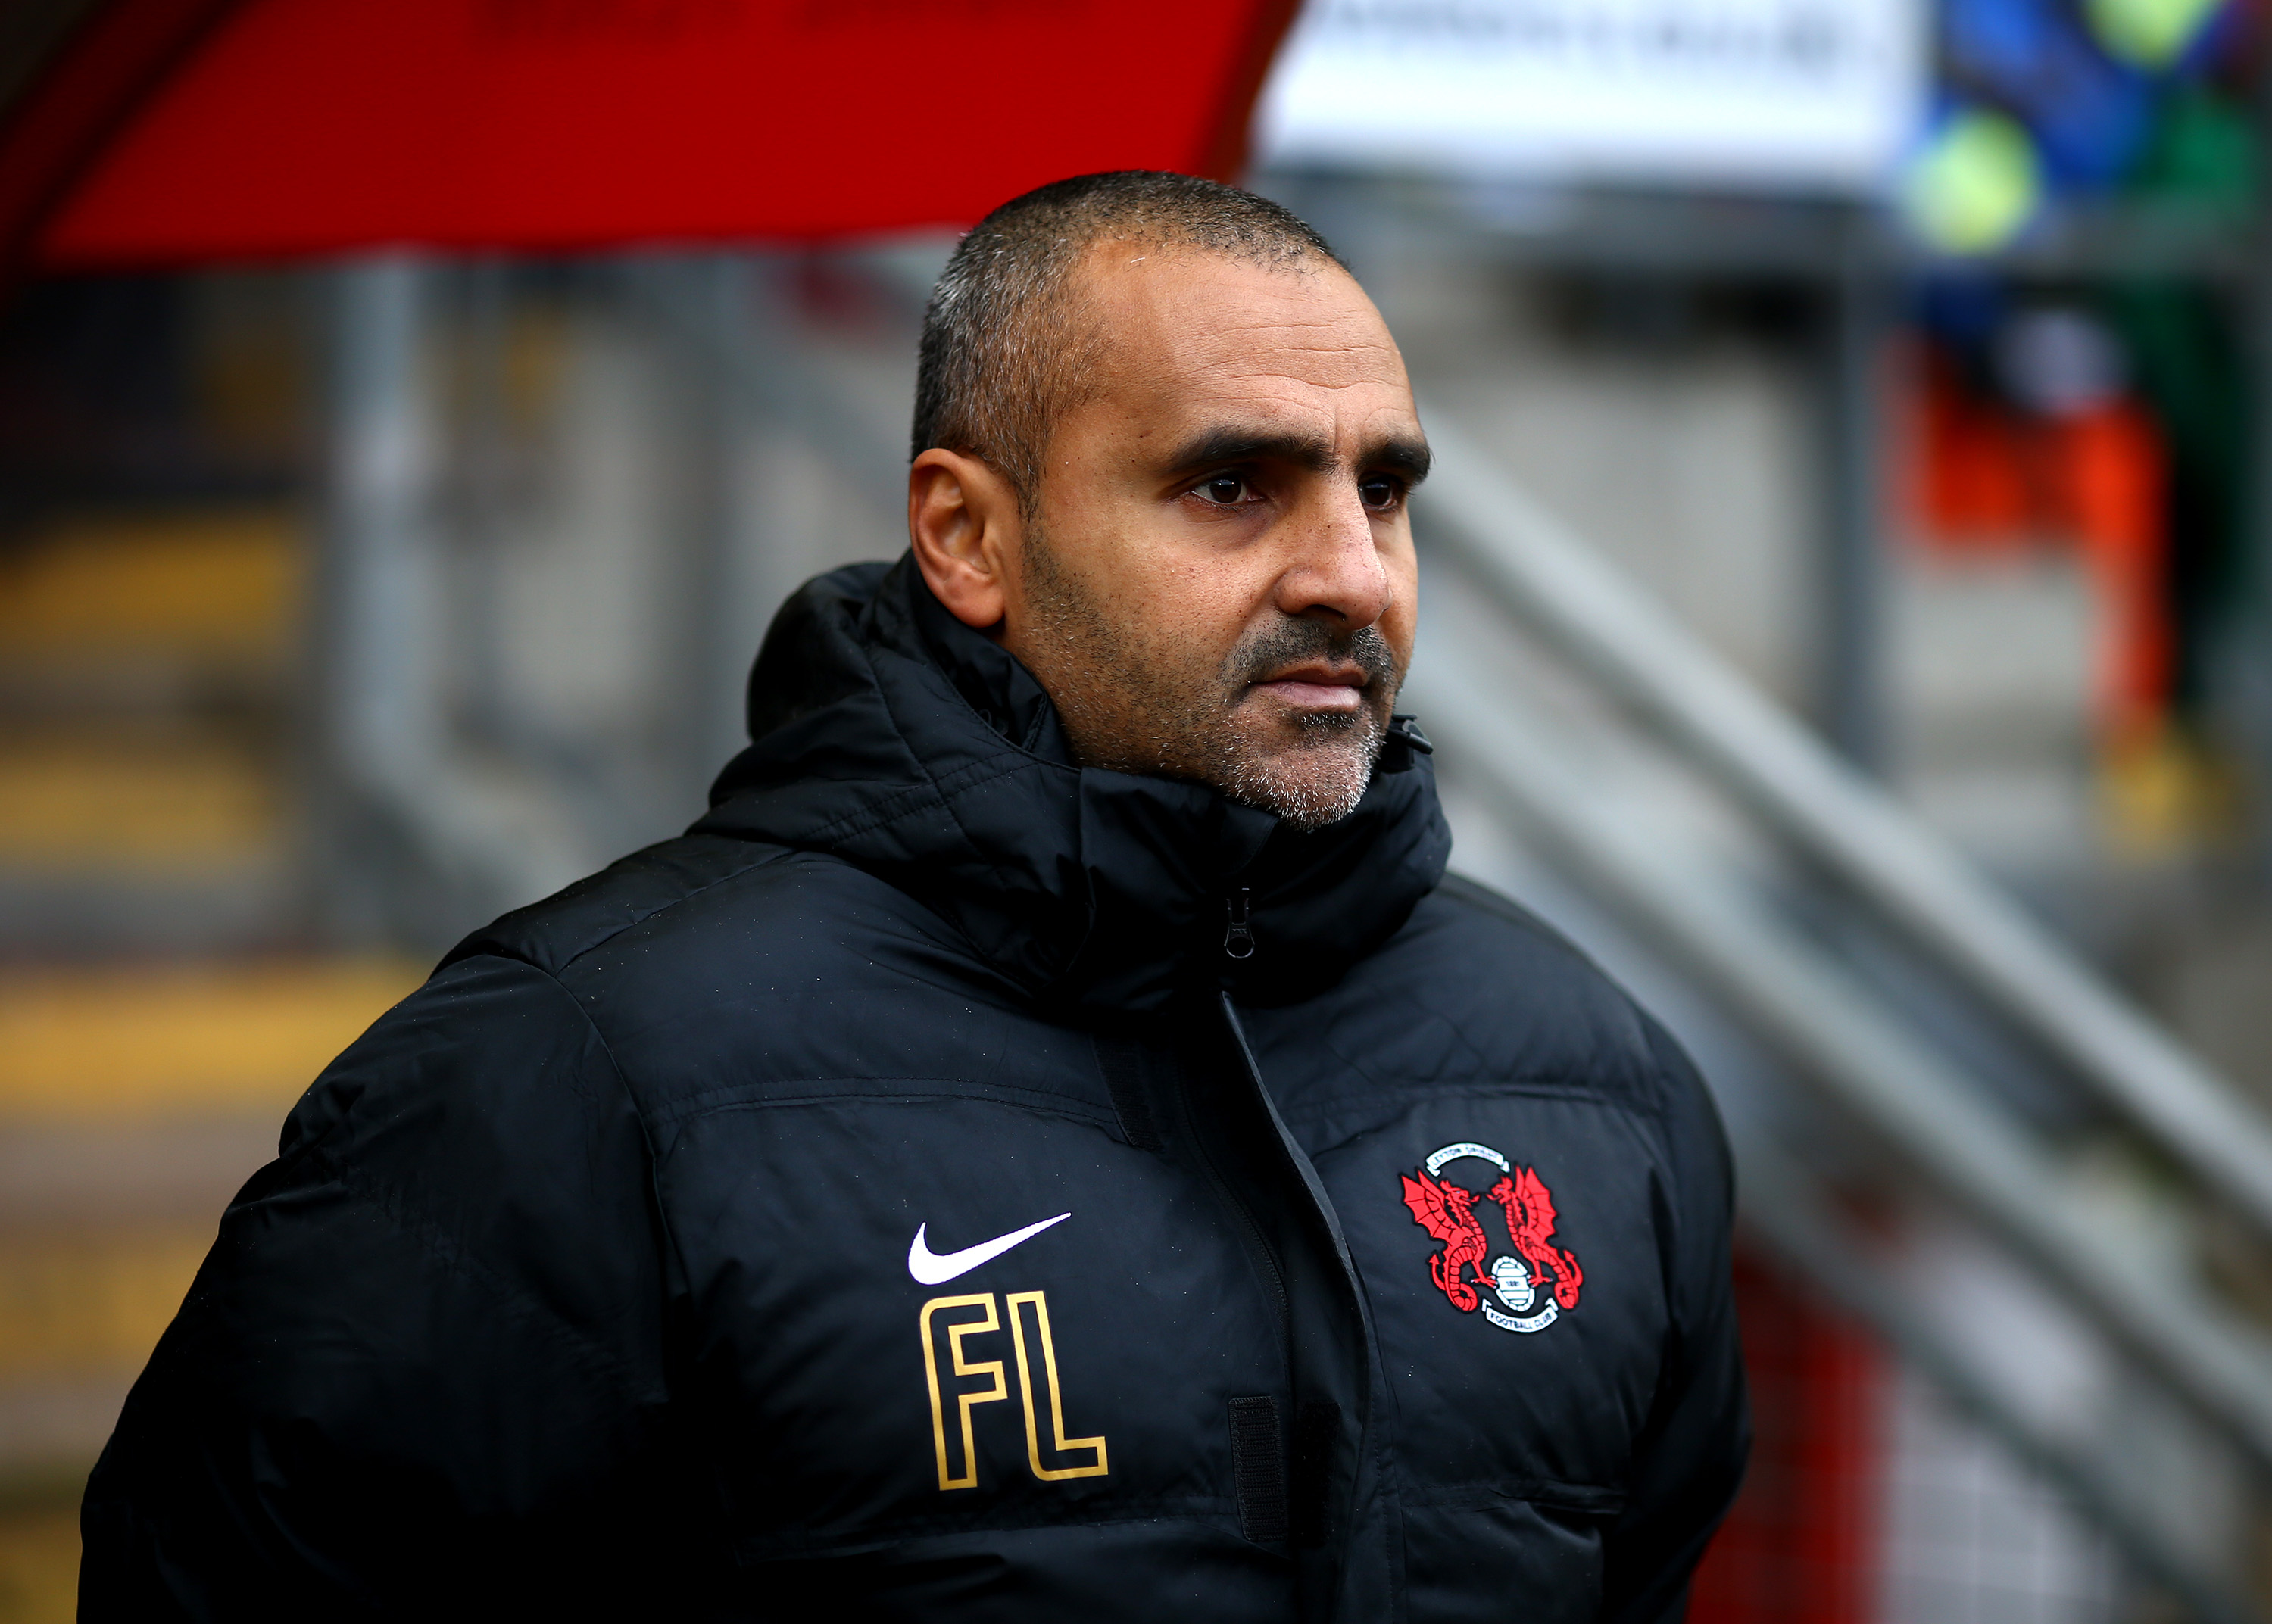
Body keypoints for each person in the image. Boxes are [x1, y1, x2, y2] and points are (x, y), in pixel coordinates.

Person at [83, 172, 1747, 1622]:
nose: (1350, 571)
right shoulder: (570, 1078)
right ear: (965, 534)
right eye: (1234, 484)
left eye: (1381, 488)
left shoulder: (1590, 1075)